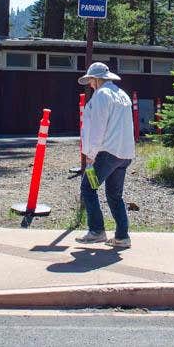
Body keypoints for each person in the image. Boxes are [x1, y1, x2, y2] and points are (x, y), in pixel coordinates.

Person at [76, 61, 135, 249]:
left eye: (91, 81)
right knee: (114, 194)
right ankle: (122, 236)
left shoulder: (101, 96)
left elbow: (97, 127)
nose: (90, 84)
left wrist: (90, 154)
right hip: (124, 153)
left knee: (88, 188)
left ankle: (97, 230)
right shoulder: (122, 95)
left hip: (107, 152)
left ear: (95, 79)